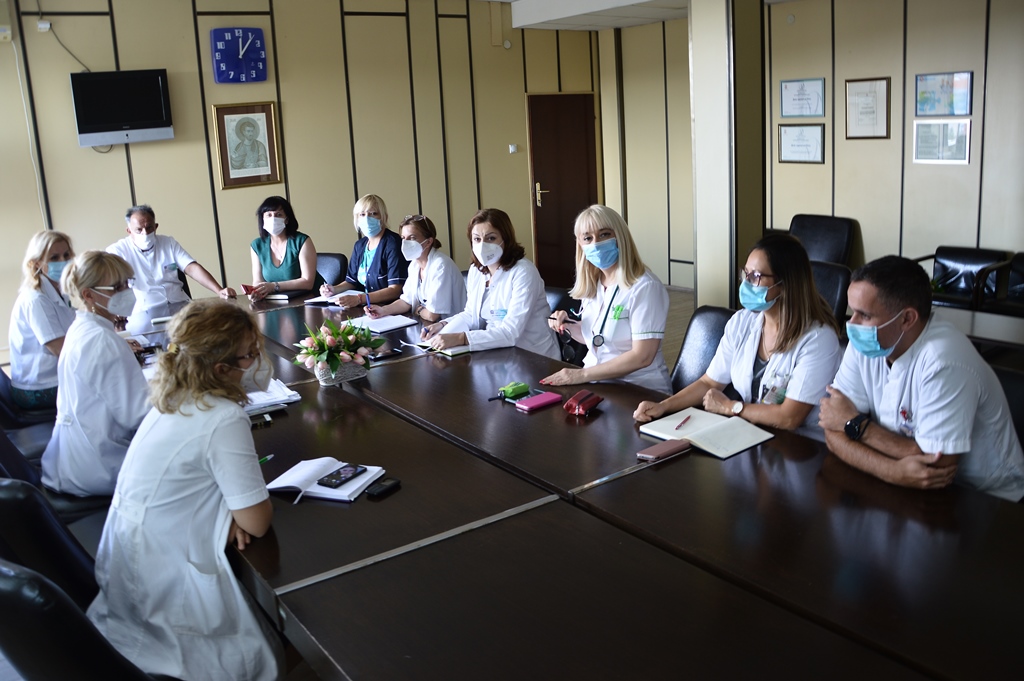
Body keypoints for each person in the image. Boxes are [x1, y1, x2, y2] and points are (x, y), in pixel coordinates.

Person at [87, 299, 284, 681]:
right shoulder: (223, 416)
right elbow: (257, 522)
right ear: (221, 369)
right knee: (264, 655)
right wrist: (232, 515)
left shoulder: (172, 396)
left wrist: (226, 512)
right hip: (167, 588)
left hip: (131, 576)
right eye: (249, 354)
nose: (256, 361)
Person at [819, 255, 1024, 502]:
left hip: (986, 498)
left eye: (864, 315)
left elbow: (935, 466)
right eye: (852, 312)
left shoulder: (944, 361)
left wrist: (854, 424)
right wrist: (892, 471)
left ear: (907, 319)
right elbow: (832, 429)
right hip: (907, 485)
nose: (852, 324)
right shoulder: (865, 343)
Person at [634, 232, 841, 438]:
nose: (746, 284)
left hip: (799, 443)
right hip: (751, 433)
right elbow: (710, 383)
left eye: (755, 277)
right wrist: (664, 406)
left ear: (784, 284)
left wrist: (730, 407)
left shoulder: (818, 339)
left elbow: (789, 418)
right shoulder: (743, 321)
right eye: (745, 274)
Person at [40, 251, 150, 497]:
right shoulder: (103, 340)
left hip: (73, 458)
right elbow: (138, 415)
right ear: (88, 295)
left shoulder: (82, 327)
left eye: (127, 283)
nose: (126, 292)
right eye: (116, 287)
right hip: (98, 467)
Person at [541, 205, 671, 392]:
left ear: (620, 236)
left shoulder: (645, 286)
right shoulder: (594, 284)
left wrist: (581, 375)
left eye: (604, 234)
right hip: (598, 382)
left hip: (639, 388)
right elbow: (597, 339)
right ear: (580, 245)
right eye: (588, 238)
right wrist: (566, 325)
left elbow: (643, 356)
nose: (596, 244)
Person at [422, 208, 560, 359]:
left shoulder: (524, 272)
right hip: (496, 352)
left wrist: (462, 338)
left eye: (491, 238)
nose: (483, 245)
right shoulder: (477, 270)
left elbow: (510, 332)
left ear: (506, 239)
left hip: (533, 356)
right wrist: (443, 326)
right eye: (477, 239)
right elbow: (470, 315)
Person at [108, 205, 235, 333]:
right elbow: (107, 281)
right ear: (129, 231)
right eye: (139, 230)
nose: (145, 233)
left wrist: (219, 290)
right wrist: (115, 307)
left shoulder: (168, 243)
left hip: (179, 305)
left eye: (149, 228)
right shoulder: (118, 251)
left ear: (156, 226)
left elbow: (192, 268)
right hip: (143, 311)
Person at [8, 231, 77, 409]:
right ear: (36, 263)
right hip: (39, 389)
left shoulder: (57, 291)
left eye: (66, 255)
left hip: (54, 377)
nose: (63, 261)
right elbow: (60, 349)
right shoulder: (36, 299)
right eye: (54, 258)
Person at [364, 214, 466, 322]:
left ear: (428, 242)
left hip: (451, 327)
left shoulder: (441, 265)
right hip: (428, 325)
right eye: (403, 238)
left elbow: (432, 315)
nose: (406, 243)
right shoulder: (414, 265)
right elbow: (406, 301)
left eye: (412, 238)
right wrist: (383, 310)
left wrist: (419, 309)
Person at [319, 194, 407, 307]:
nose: (367, 219)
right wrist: (333, 289)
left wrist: (360, 299)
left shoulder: (393, 243)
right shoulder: (360, 245)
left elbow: (396, 289)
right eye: (362, 214)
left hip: (390, 308)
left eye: (373, 213)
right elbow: (351, 282)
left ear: (383, 217)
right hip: (367, 307)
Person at [249, 195, 324, 301]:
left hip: (311, 300)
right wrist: (257, 291)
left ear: (287, 219)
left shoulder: (302, 240)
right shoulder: (257, 245)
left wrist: (274, 286)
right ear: (263, 219)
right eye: (269, 215)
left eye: (278, 215)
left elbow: (308, 282)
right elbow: (257, 280)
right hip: (277, 302)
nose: (273, 219)